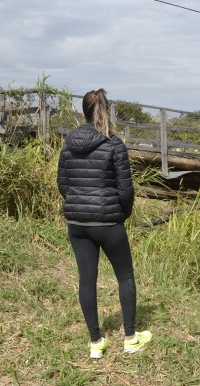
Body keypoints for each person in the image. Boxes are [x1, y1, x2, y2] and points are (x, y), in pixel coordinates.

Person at [57, 89, 151, 359]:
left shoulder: (69, 143)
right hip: (108, 221)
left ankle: (96, 342)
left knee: (87, 279)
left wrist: (77, 204)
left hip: (77, 222)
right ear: (105, 110)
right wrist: (123, 214)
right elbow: (126, 190)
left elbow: (63, 183)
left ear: (83, 111)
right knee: (125, 276)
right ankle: (131, 337)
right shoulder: (114, 143)